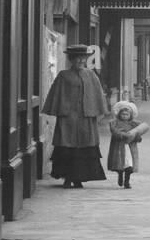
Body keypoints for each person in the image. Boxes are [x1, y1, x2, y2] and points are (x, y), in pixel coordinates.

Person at [42, 45, 110, 188]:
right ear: (71, 59)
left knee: (84, 148)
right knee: (67, 148)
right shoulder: (63, 75)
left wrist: (98, 112)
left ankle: (79, 178)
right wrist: (61, 110)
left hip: (86, 118)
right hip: (68, 119)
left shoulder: (91, 75)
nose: (80, 60)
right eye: (77, 58)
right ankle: (68, 177)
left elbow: (97, 94)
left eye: (83, 58)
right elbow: (56, 95)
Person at [107, 100, 150, 189]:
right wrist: (124, 135)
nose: (125, 116)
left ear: (130, 115)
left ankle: (127, 182)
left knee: (129, 166)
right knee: (120, 165)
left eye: (127, 114)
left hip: (130, 148)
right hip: (119, 148)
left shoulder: (134, 124)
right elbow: (114, 132)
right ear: (119, 114)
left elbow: (138, 133)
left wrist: (136, 137)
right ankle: (120, 175)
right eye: (123, 114)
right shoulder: (115, 123)